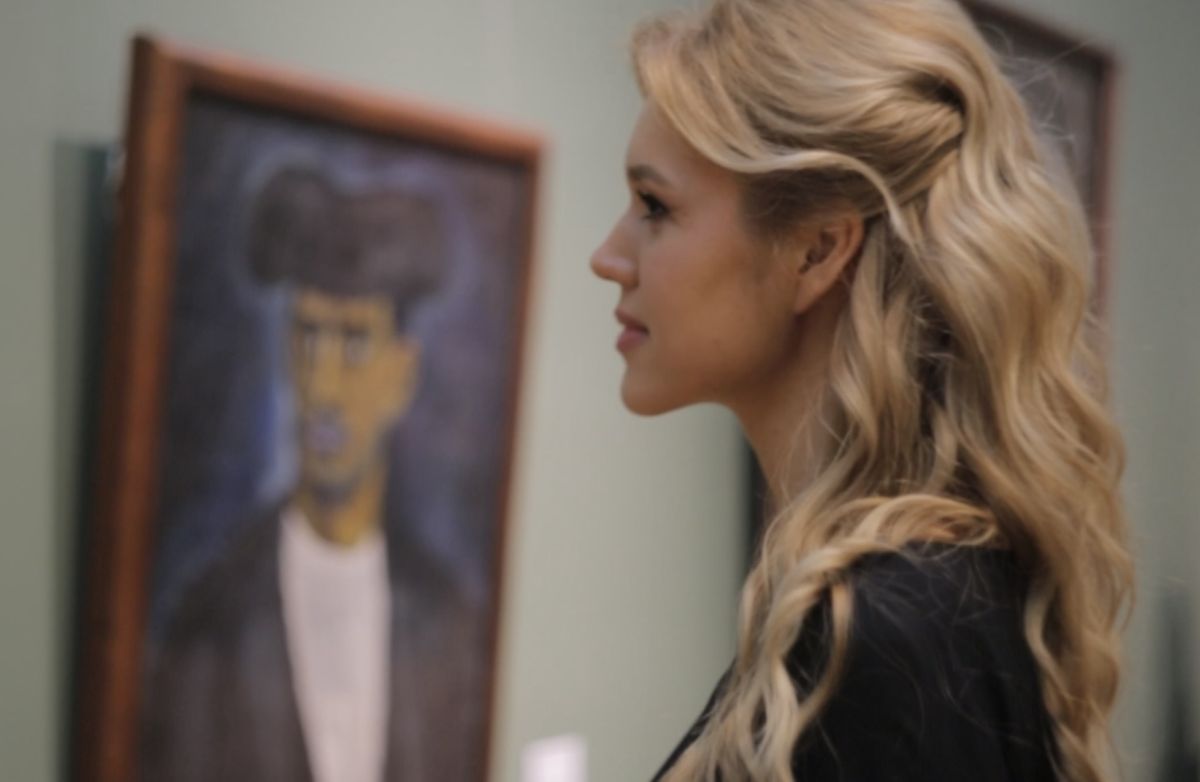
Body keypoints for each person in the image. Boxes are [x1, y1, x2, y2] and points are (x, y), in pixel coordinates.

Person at [589, 1, 1132, 780]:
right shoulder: (896, 607)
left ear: (816, 251)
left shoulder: (886, 636)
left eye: (655, 207)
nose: (608, 257)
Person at [142, 165, 486, 782]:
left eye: (353, 344)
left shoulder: (447, 620)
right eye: (309, 337)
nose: (324, 386)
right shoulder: (212, 617)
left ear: (401, 373)